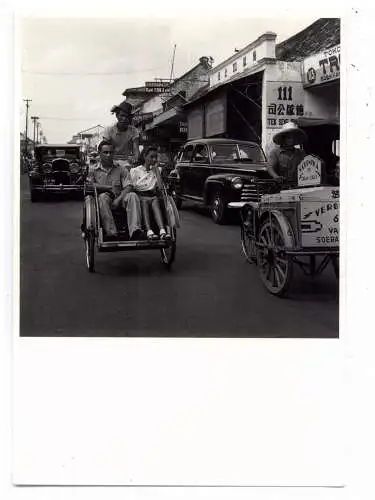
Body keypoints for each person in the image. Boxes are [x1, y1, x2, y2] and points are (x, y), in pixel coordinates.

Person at [86, 140, 144, 240]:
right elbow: (89, 185)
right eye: (105, 152)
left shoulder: (121, 168)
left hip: (120, 196)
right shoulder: (93, 169)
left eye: (111, 152)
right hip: (104, 198)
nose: (108, 155)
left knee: (133, 195)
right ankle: (111, 233)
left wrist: (118, 199)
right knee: (103, 197)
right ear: (99, 153)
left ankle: (135, 230)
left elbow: (129, 186)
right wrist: (107, 187)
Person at [125, 145, 170, 240]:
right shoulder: (135, 171)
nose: (154, 159)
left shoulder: (158, 170)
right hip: (140, 196)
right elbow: (131, 187)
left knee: (155, 201)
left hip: (153, 196)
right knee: (145, 202)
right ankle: (149, 230)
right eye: (151, 157)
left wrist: (157, 171)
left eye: (155, 157)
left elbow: (161, 188)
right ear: (145, 157)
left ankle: (162, 230)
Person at [268, 121, 307, 188]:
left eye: (293, 138)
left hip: (298, 186)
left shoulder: (301, 153)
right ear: (284, 139)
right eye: (289, 137)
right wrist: (276, 177)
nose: (291, 140)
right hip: (281, 187)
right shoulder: (275, 152)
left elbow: (307, 166)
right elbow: (270, 168)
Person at [102, 100, 140, 167]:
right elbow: (104, 148)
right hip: (112, 161)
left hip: (127, 162)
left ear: (130, 118)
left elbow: (136, 149)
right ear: (117, 116)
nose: (124, 119)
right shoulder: (109, 130)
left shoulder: (134, 131)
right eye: (122, 116)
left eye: (127, 116)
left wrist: (136, 160)